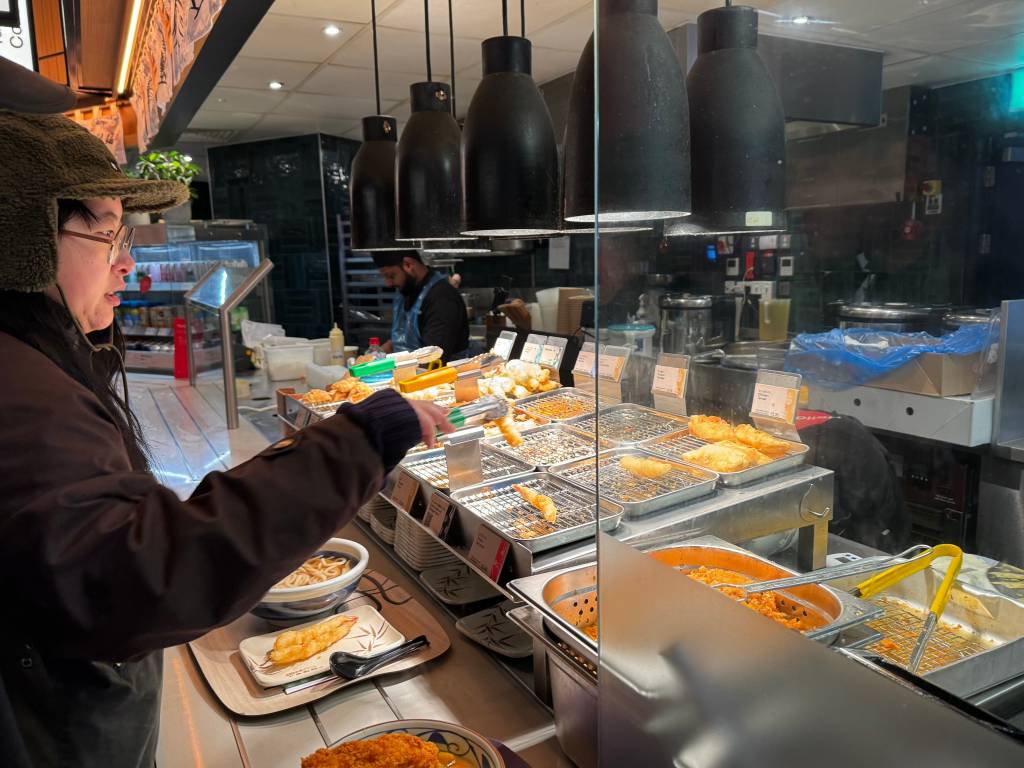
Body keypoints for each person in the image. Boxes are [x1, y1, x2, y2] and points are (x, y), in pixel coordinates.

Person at [0, 111, 454, 768]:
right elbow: (137, 573)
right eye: (106, 233)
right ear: (25, 244)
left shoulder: (35, 365)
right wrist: (360, 440)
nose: (125, 262)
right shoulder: (19, 393)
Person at [372, 250, 470, 362]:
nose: (388, 283)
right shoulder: (405, 291)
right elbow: (403, 338)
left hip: (439, 375)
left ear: (408, 264)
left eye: (391, 276)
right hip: (408, 371)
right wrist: (378, 355)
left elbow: (434, 358)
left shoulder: (442, 297)